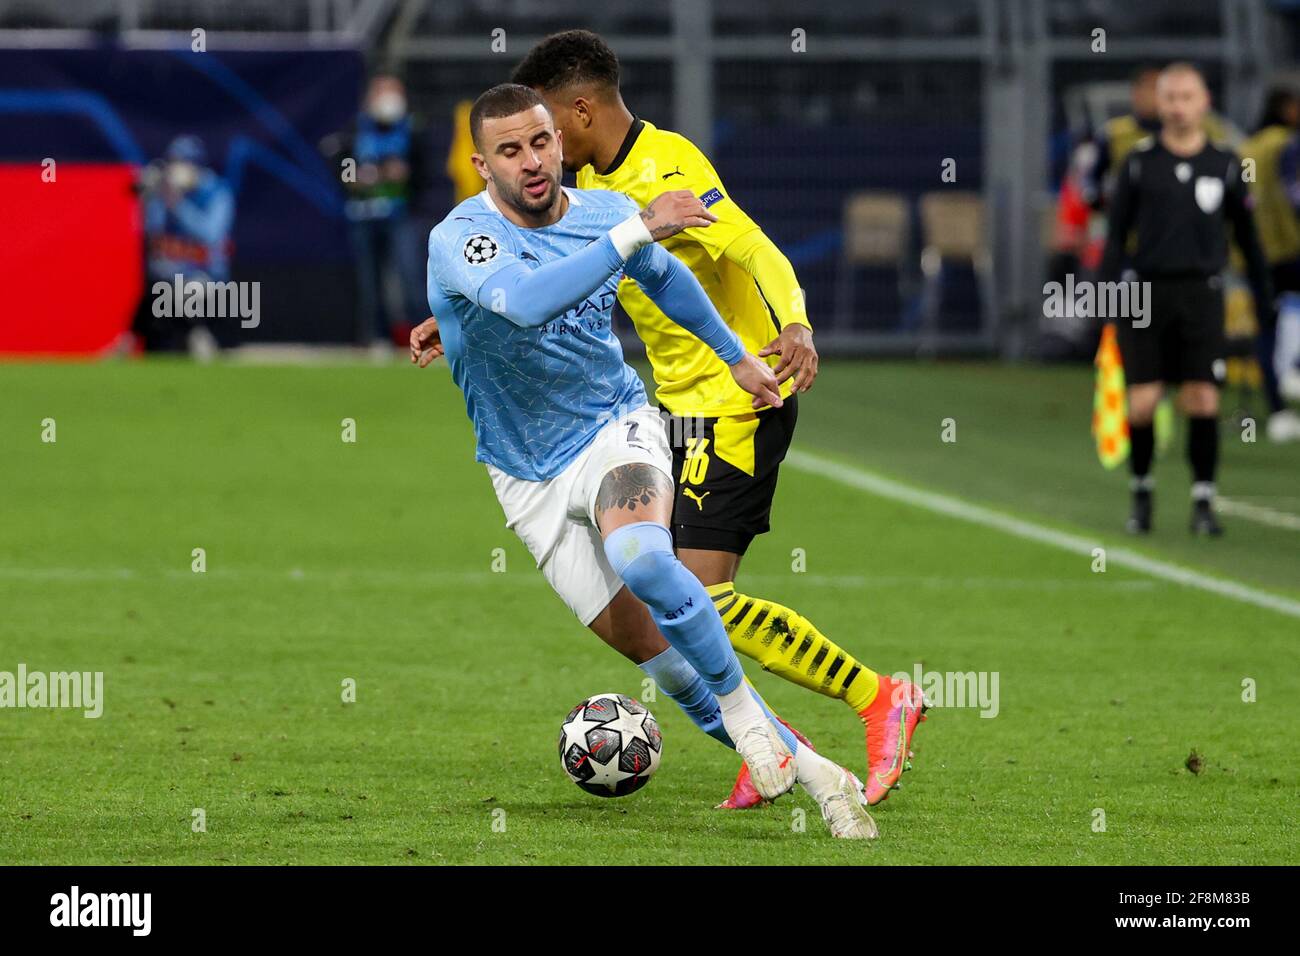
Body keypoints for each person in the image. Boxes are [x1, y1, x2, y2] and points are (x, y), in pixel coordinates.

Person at [415, 83, 878, 839]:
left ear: (559, 141)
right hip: (524, 474)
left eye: (540, 142)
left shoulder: (599, 215)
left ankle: (748, 723)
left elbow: (669, 280)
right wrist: (633, 233)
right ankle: (824, 777)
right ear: (481, 164)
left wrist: (732, 358)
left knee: (643, 554)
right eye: (509, 150)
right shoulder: (461, 238)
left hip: (613, 427)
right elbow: (528, 303)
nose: (531, 161)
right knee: (660, 660)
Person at [510, 30, 924, 809]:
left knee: (701, 603)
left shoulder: (669, 165)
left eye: (546, 132)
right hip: (676, 410)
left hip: (734, 402)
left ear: (581, 110)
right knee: (667, 597)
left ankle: (878, 697)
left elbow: (754, 248)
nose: (539, 151)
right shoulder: (594, 188)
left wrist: (795, 323)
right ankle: (758, 744)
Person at [1099, 63, 1273, 536]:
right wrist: (1104, 294)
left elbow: (1248, 237)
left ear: (1204, 102)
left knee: (1202, 397)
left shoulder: (1225, 163)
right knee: (1143, 401)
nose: (1177, 106)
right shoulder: (1138, 164)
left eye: (1186, 97)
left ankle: (1203, 501)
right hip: (1147, 293)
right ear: (1158, 104)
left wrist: (1264, 295)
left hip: (1202, 294)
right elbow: (1116, 238)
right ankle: (1141, 493)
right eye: (1169, 97)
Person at [327, 73, 429, 351]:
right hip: (363, 216)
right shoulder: (354, 131)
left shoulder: (412, 129)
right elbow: (340, 169)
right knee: (370, 282)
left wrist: (404, 177)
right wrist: (357, 179)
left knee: (410, 277)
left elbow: (422, 174)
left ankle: (424, 335)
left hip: (400, 216)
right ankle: (376, 337)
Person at [132, 134, 234, 358]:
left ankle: (199, 335)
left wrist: (178, 203)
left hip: (208, 279)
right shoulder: (163, 192)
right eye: (173, 163)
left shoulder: (217, 192)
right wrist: (153, 198)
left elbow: (209, 235)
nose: (176, 169)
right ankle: (130, 343)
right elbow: (153, 240)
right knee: (157, 289)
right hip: (170, 281)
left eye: (183, 163)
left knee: (186, 290)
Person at [1239, 87, 1300, 442]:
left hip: (1256, 255)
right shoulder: (1287, 144)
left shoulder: (1247, 149)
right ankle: (1293, 367)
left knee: (1267, 328)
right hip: (1290, 248)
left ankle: (1277, 409)